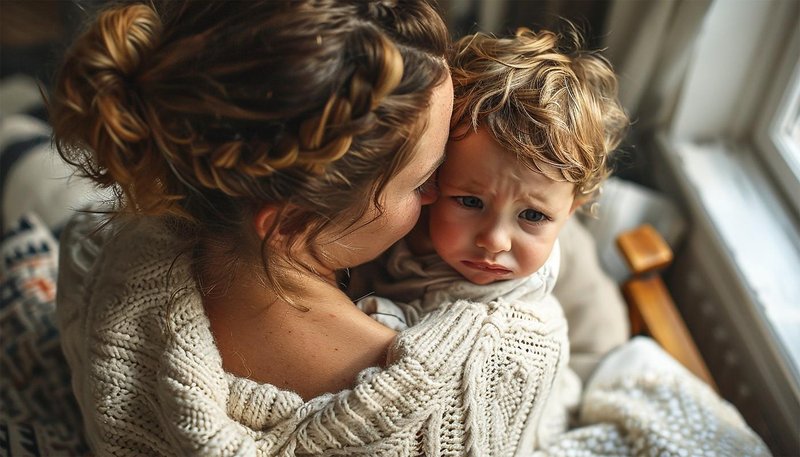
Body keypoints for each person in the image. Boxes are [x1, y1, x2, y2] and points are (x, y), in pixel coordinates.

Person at [50, 1, 575, 455]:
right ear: (289, 222)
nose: (438, 198)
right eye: (421, 183)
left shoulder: (112, 252)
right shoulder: (465, 391)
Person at [348, 26, 629, 446]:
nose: (495, 241)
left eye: (533, 215)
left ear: (569, 212)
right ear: (432, 179)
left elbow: (600, 344)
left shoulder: (559, 261)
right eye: (469, 202)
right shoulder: (395, 229)